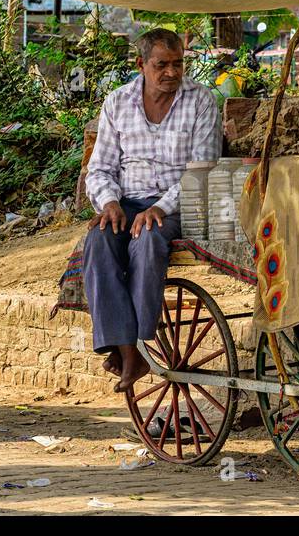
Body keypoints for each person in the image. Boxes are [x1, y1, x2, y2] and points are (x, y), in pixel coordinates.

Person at [83, 28, 221, 391]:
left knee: (146, 238)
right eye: (162, 65)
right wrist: (109, 202)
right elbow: (100, 168)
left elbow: (202, 169)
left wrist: (159, 207)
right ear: (141, 65)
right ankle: (126, 348)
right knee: (99, 239)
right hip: (128, 200)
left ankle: (140, 345)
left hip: (179, 203)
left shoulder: (201, 101)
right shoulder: (117, 103)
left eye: (178, 64)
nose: (172, 73)